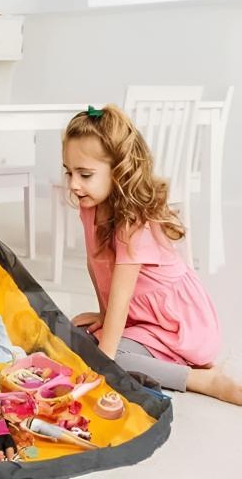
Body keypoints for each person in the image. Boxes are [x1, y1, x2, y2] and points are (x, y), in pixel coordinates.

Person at [63, 104, 242, 405]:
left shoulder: (132, 222)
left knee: (107, 355)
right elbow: (95, 264)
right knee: (74, 335)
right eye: (69, 172)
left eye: (85, 174)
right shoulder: (90, 205)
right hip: (143, 319)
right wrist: (104, 317)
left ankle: (201, 380)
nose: (73, 184)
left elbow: (122, 296)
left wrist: (103, 363)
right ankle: (127, 351)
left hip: (177, 323)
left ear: (118, 171)